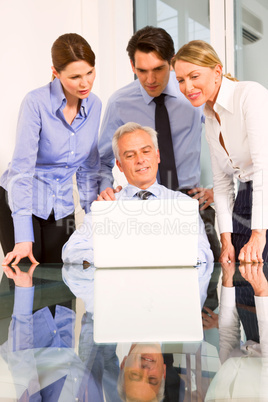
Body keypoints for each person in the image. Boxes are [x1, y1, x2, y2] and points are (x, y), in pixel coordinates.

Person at [97, 26, 221, 262]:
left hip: (192, 201)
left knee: (209, 274)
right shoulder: (119, 103)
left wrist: (220, 190)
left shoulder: (192, 93)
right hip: (143, 203)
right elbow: (101, 159)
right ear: (132, 67)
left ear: (172, 62)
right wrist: (106, 189)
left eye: (158, 69)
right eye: (142, 71)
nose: (150, 79)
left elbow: (227, 139)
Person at [0, 33, 101, 265]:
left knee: (63, 280)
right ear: (55, 73)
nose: (85, 83)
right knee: (25, 280)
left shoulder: (95, 104)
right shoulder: (36, 103)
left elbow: (88, 167)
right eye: (75, 77)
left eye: (89, 73)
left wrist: (93, 222)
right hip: (22, 200)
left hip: (62, 205)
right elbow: (21, 169)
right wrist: (24, 236)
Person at [62, 122, 213, 265]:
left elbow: (203, 253)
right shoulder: (108, 205)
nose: (140, 160)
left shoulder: (182, 204)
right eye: (130, 155)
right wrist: (112, 259)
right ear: (120, 165)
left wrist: (165, 260)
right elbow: (71, 251)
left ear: (157, 156)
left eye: (146, 151)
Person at [173, 40, 268, 263]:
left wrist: (258, 234)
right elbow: (223, 184)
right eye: (181, 80)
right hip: (245, 198)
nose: (187, 87)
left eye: (194, 76)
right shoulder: (209, 117)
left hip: (264, 190)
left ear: (217, 72)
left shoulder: (250, 95)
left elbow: (263, 169)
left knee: (261, 278)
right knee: (241, 284)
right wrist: (226, 242)